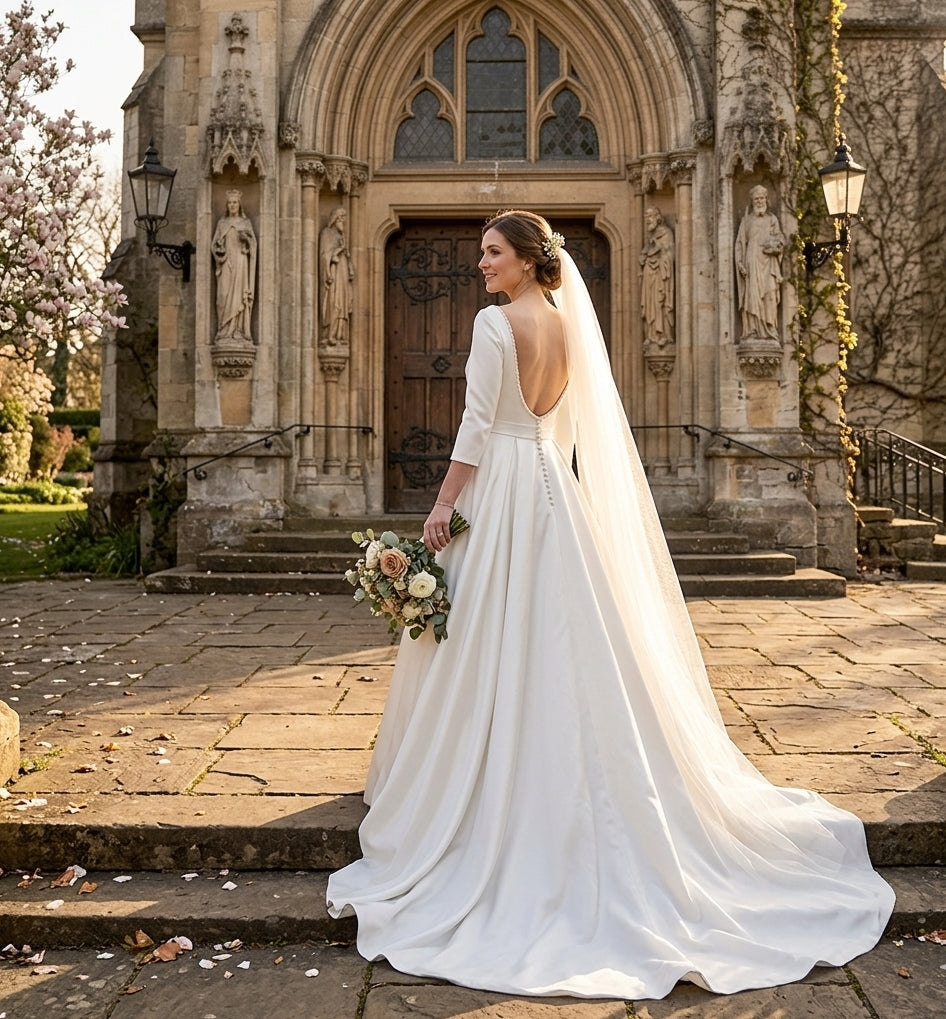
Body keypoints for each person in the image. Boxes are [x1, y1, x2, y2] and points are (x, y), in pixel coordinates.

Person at [326, 210, 894, 999]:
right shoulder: (566, 324)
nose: (480, 265)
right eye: (481, 255)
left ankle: (488, 781)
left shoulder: (496, 326)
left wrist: (440, 506)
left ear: (525, 261)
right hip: (557, 491)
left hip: (503, 493)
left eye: (492, 253)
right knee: (569, 640)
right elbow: (557, 430)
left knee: (489, 638)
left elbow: (475, 428)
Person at [735, 184, 785, 341]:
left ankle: (770, 328)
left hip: (769, 263)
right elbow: (740, 244)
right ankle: (753, 329)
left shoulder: (772, 220)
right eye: (756, 199)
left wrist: (775, 246)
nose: (759, 201)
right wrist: (740, 263)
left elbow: (781, 239)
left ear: (766, 199)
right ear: (752, 201)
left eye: (762, 198)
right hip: (752, 262)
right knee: (753, 296)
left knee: (769, 294)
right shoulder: (746, 220)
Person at [211, 189, 257, 343]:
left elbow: (254, 246)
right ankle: (223, 330)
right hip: (225, 263)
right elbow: (213, 245)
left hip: (240, 262)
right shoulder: (222, 223)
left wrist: (248, 241)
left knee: (238, 297)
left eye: (235, 202)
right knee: (222, 296)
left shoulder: (246, 223)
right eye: (230, 202)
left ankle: (238, 330)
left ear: (239, 204)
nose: (232, 205)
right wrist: (219, 250)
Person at [640, 205, 675, 351]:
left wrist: (659, 258)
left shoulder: (666, 234)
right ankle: (652, 335)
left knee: (660, 302)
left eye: (650, 216)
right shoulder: (651, 238)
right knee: (651, 304)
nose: (647, 220)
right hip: (650, 277)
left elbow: (669, 255)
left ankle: (663, 335)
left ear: (657, 217)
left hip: (661, 277)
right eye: (646, 217)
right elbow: (645, 254)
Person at [320, 206, 355, 347]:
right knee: (334, 302)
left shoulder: (342, 237)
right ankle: (330, 334)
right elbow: (324, 256)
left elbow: (347, 259)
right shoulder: (327, 233)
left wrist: (346, 256)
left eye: (344, 219)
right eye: (340, 218)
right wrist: (335, 254)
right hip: (333, 274)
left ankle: (341, 334)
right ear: (334, 219)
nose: (343, 221)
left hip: (343, 273)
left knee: (343, 302)